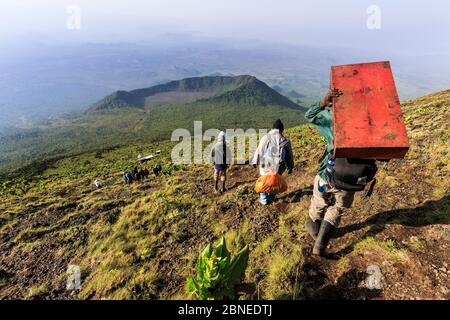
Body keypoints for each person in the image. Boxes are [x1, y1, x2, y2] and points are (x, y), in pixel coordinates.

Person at [304, 89, 377, 256]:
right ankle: (320, 245)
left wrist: (324, 102)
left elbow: (310, 115)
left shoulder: (335, 120)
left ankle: (315, 233)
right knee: (337, 208)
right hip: (353, 179)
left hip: (327, 174)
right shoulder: (375, 122)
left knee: (318, 202)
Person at [251, 119, 294, 205]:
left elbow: (260, 150)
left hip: (265, 165)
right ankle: (271, 197)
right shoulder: (285, 141)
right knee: (274, 181)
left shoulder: (266, 137)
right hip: (278, 167)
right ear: (281, 130)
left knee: (264, 181)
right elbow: (289, 155)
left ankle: (264, 200)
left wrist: (255, 161)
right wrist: (290, 167)